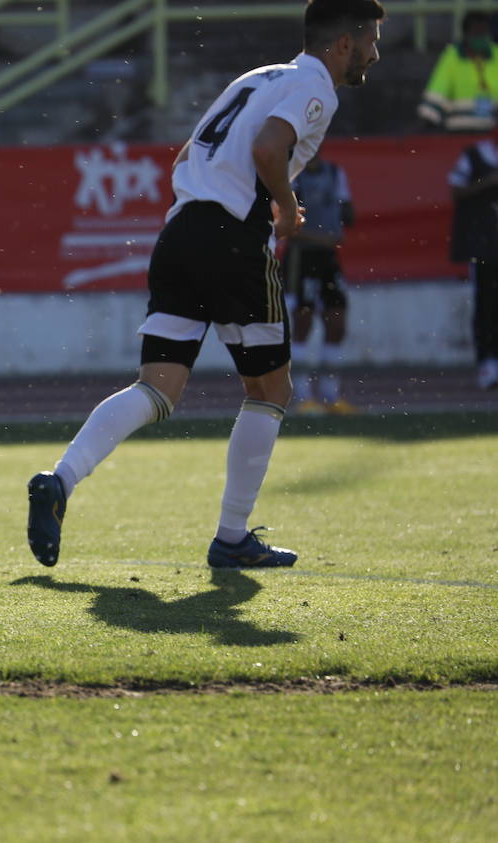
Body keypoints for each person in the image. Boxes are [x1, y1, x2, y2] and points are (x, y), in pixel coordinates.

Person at [26, 0, 384, 570]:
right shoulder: (316, 88)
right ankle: (232, 537)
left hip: (180, 231)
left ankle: (59, 480)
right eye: (370, 39)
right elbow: (269, 148)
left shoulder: (257, 77)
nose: (375, 51)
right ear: (343, 43)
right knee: (271, 392)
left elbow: (187, 155)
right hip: (232, 239)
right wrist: (287, 209)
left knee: (157, 389)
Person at [285, 152, 355, 413]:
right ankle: (303, 396)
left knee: (336, 321)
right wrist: (321, 237)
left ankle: (331, 394)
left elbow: (347, 212)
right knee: (302, 322)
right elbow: (286, 224)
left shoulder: (335, 173)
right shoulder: (292, 176)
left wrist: (341, 218)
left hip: (328, 258)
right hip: (301, 258)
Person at [447, 132, 498, 390]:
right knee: (487, 302)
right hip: (486, 245)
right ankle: (487, 363)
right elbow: (455, 189)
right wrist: (487, 182)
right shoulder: (476, 155)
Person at [417, 12, 498, 132]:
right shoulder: (452, 56)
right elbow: (436, 96)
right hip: (460, 134)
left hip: (492, 135)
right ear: (466, 35)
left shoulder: (495, 53)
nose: (480, 38)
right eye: (476, 34)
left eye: (483, 34)